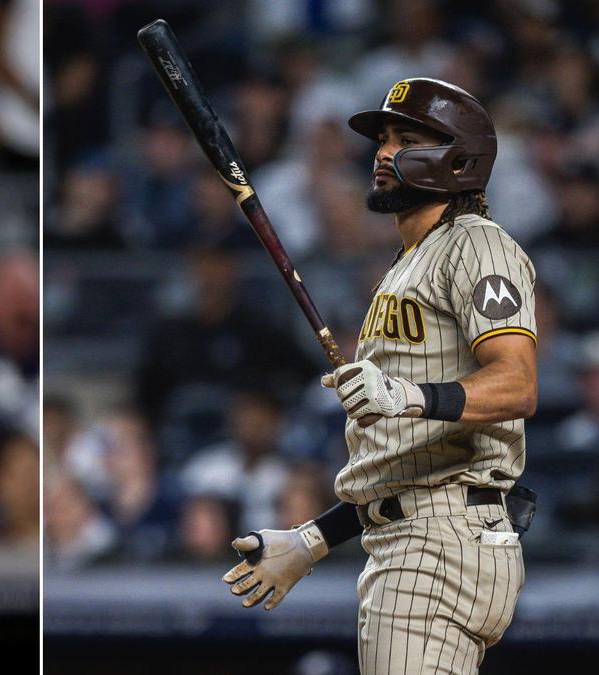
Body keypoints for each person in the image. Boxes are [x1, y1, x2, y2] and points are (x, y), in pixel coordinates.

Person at [223, 78, 537, 674]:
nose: (383, 152)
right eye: (383, 139)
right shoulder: (408, 263)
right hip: (421, 532)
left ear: (458, 158)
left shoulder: (477, 246)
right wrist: (310, 541)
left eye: (405, 139)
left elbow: (518, 384)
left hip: (436, 544)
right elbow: (406, 458)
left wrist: (405, 395)